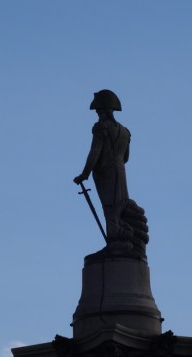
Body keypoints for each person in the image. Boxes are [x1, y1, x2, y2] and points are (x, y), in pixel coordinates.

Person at [73, 90, 132, 244]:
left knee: (109, 208)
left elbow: (95, 152)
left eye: (99, 111)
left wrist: (84, 174)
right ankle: (121, 238)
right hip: (120, 172)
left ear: (105, 110)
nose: (98, 114)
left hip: (105, 173)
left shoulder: (101, 128)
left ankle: (114, 243)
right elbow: (126, 158)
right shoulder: (125, 132)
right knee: (119, 207)